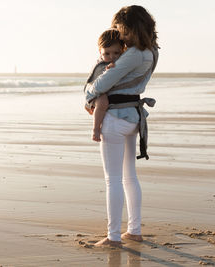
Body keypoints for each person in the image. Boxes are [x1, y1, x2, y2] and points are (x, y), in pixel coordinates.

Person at [84, 5, 159, 247]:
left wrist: (89, 94)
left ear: (131, 27)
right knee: (129, 177)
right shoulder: (153, 51)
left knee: (112, 179)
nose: (120, 35)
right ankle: (134, 230)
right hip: (133, 118)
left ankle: (113, 236)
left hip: (115, 119)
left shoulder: (134, 54)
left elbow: (100, 84)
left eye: (121, 30)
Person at [84, 29, 125, 142]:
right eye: (107, 53)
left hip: (105, 92)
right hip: (95, 92)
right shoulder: (102, 64)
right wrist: (108, 70)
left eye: (116, 53)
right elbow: (98, 81)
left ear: (122, 50)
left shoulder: (124, 61)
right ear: (100, 52)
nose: (112, 56)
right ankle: (96, 128)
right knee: (103, 102)